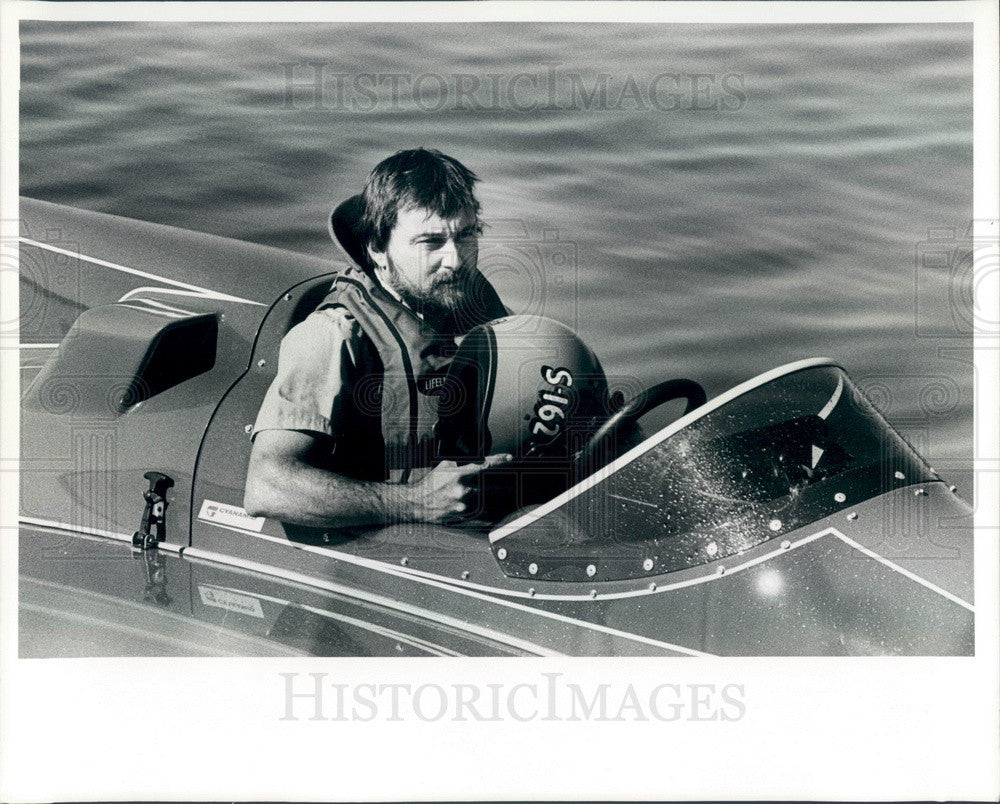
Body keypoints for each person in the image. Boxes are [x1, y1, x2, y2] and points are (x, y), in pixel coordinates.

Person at [244, 149, 512, 529]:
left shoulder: (470, 300)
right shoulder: (333, 335)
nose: (455, 260)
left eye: (466, 235)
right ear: (377, 248)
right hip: (404, 543)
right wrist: (413, 503)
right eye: (431, 242)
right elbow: (267, 486)